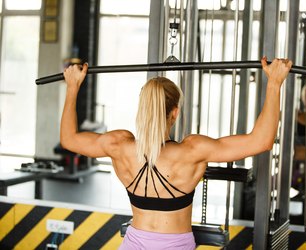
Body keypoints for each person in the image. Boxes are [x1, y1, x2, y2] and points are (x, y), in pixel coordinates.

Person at [60, 56, 292, 250]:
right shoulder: (192, 150)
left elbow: (69, 139)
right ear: (175, 112)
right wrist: (274, 83)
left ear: (143, 110)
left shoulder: (118, 145)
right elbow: (262, 141)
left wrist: (72, 87)